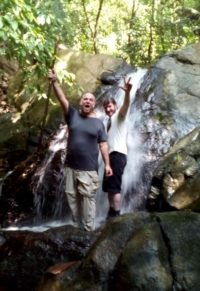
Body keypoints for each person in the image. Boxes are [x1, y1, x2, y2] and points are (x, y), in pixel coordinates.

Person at [48, 69, 112, 231]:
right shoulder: (73, 115)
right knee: (71, 197)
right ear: (81, 102)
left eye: (91, 99)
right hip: (70, 167)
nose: (88, 101)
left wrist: (108, 165)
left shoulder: (98, 123)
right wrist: (55, 81)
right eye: (85, 99)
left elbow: (103, 145)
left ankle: (88, 229)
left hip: (88, 169)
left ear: (94, 104)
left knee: (88, 198)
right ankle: (76, 226)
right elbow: (62, 99)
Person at [102, 77, 132, 218]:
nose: (108, 109)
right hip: (110, 158)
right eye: (106, 107)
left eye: (110, 106)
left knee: (115, 187)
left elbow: (125, 106)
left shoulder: (119, 116)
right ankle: (111, 211)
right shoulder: (108, 123)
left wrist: (127, 93)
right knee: (109, 188)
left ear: (115, 106)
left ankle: (117, 214)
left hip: (118, 155)